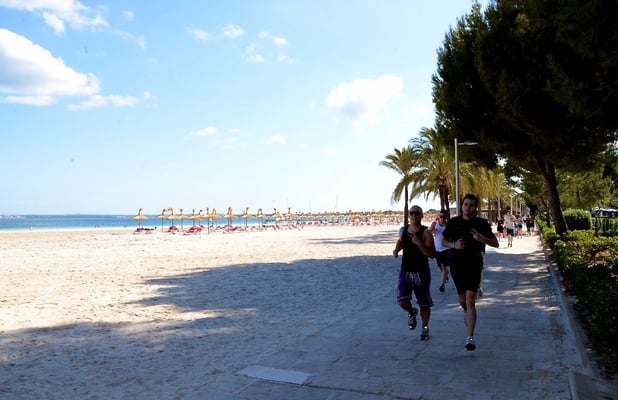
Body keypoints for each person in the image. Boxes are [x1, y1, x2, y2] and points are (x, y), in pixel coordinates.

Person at [442, 194, 499, 351]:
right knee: (463, 301)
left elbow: (496, 243)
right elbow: (443, 241)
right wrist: (453, 245)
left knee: (470, 300)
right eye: (466, 204)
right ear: (462, 206)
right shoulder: (454, 222)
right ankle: (467, 314)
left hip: (474, 265)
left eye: (471, 205)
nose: (468, 208)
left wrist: (482, 239)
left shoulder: (482, 224)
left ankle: (470, 338)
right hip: (457, 266)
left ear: (476, 208)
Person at [393, 206, 436, 341]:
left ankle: (425, 328)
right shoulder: (404, 230)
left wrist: (419, 244)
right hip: (405, 271)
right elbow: (401, 242)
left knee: (424, 304)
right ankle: (412, 312)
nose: (414, 216)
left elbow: (432, 254)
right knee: (402, 301)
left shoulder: (426, 233)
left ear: (421, 215)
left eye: (417, 213)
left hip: (421, 272)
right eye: (411, 213)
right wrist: (397, 250)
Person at [429, 212, 450, 293]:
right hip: (437, 249)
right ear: (438, 217)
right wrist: (433, 231)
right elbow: (428, 233)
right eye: (441, 216)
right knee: (441, 266)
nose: (442, 218)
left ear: (446, 217)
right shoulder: (435, 224)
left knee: (444, 266)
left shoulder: (448, 225)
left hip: (446, 249)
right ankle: (446, 274)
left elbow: (452, 236)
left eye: (444, 217)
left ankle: (442, 285)